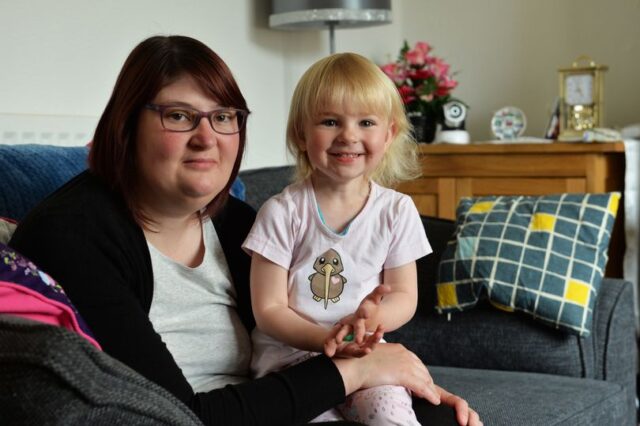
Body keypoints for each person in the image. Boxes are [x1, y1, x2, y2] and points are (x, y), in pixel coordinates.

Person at [9, 35, 481, 426]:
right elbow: (178, 415)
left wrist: (402, 383)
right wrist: (354, 373)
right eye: (178, 115)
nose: (207, 137)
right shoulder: (72, 236)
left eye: (224, 117)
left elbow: (309, 335)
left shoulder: (234, 222)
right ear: (125, 126)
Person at [243, 52, 435, 425]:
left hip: (365, 357)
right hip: (291, 364)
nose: (349, 135)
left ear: (389, 134)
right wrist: (324, 340)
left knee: (392, 416)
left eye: (366, 122)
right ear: (301, 133)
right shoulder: (281, 213)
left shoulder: (396, 211)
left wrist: (372, 317)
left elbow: (405, 295)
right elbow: (268, 310)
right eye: (330, 122)